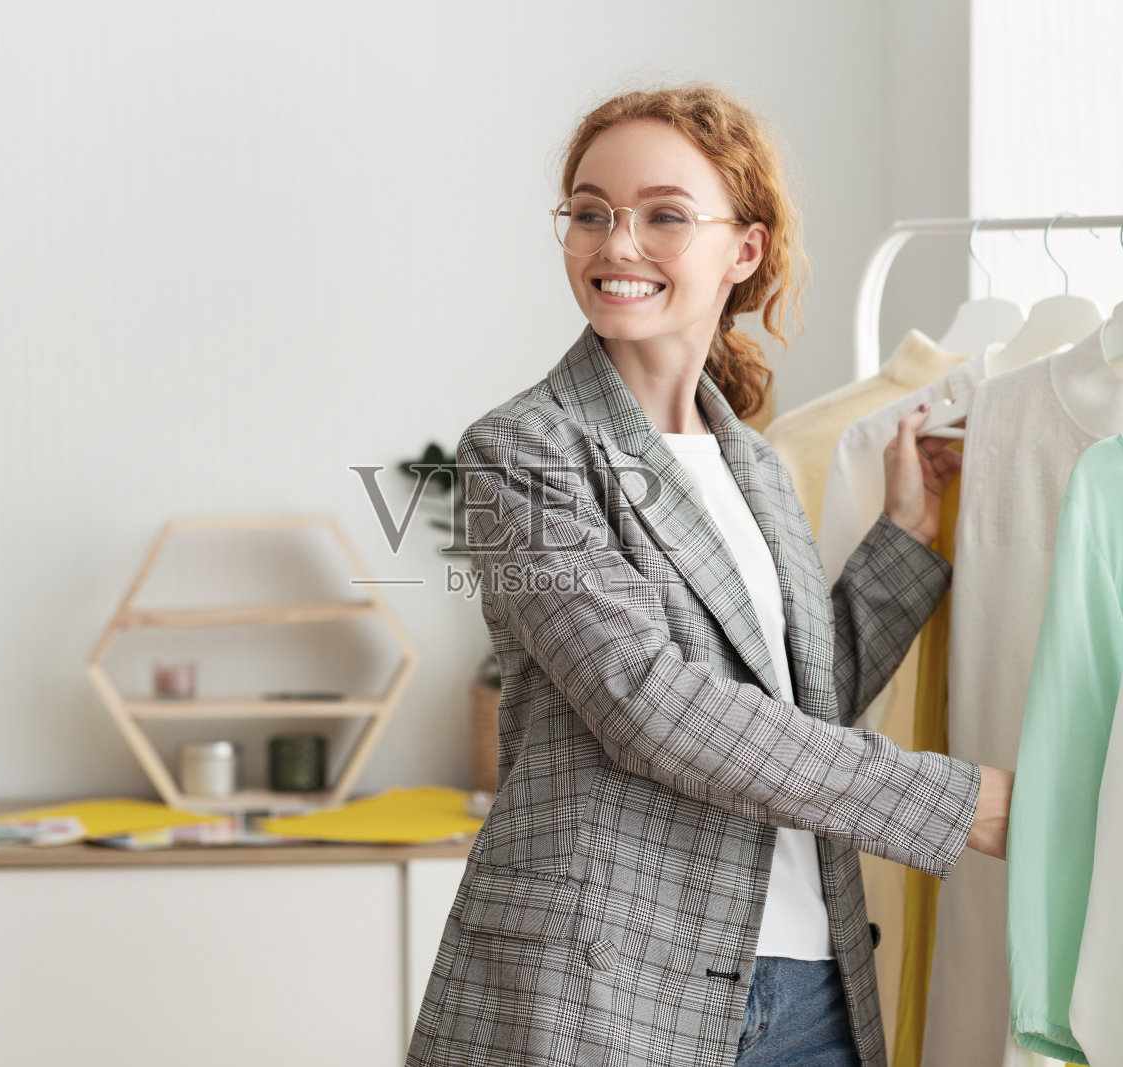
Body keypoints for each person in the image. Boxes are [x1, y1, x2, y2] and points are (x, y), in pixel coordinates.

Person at [405, 83, 1013, 1067]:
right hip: (600, 989)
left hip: (810, 982)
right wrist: (959, 801)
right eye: (590, 213)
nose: (615, 243)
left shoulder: (755, 465)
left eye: (662, 215)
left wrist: (904, 535)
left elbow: (798, 709)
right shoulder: (525, 450)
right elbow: (649, 703)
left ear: (745, 249)